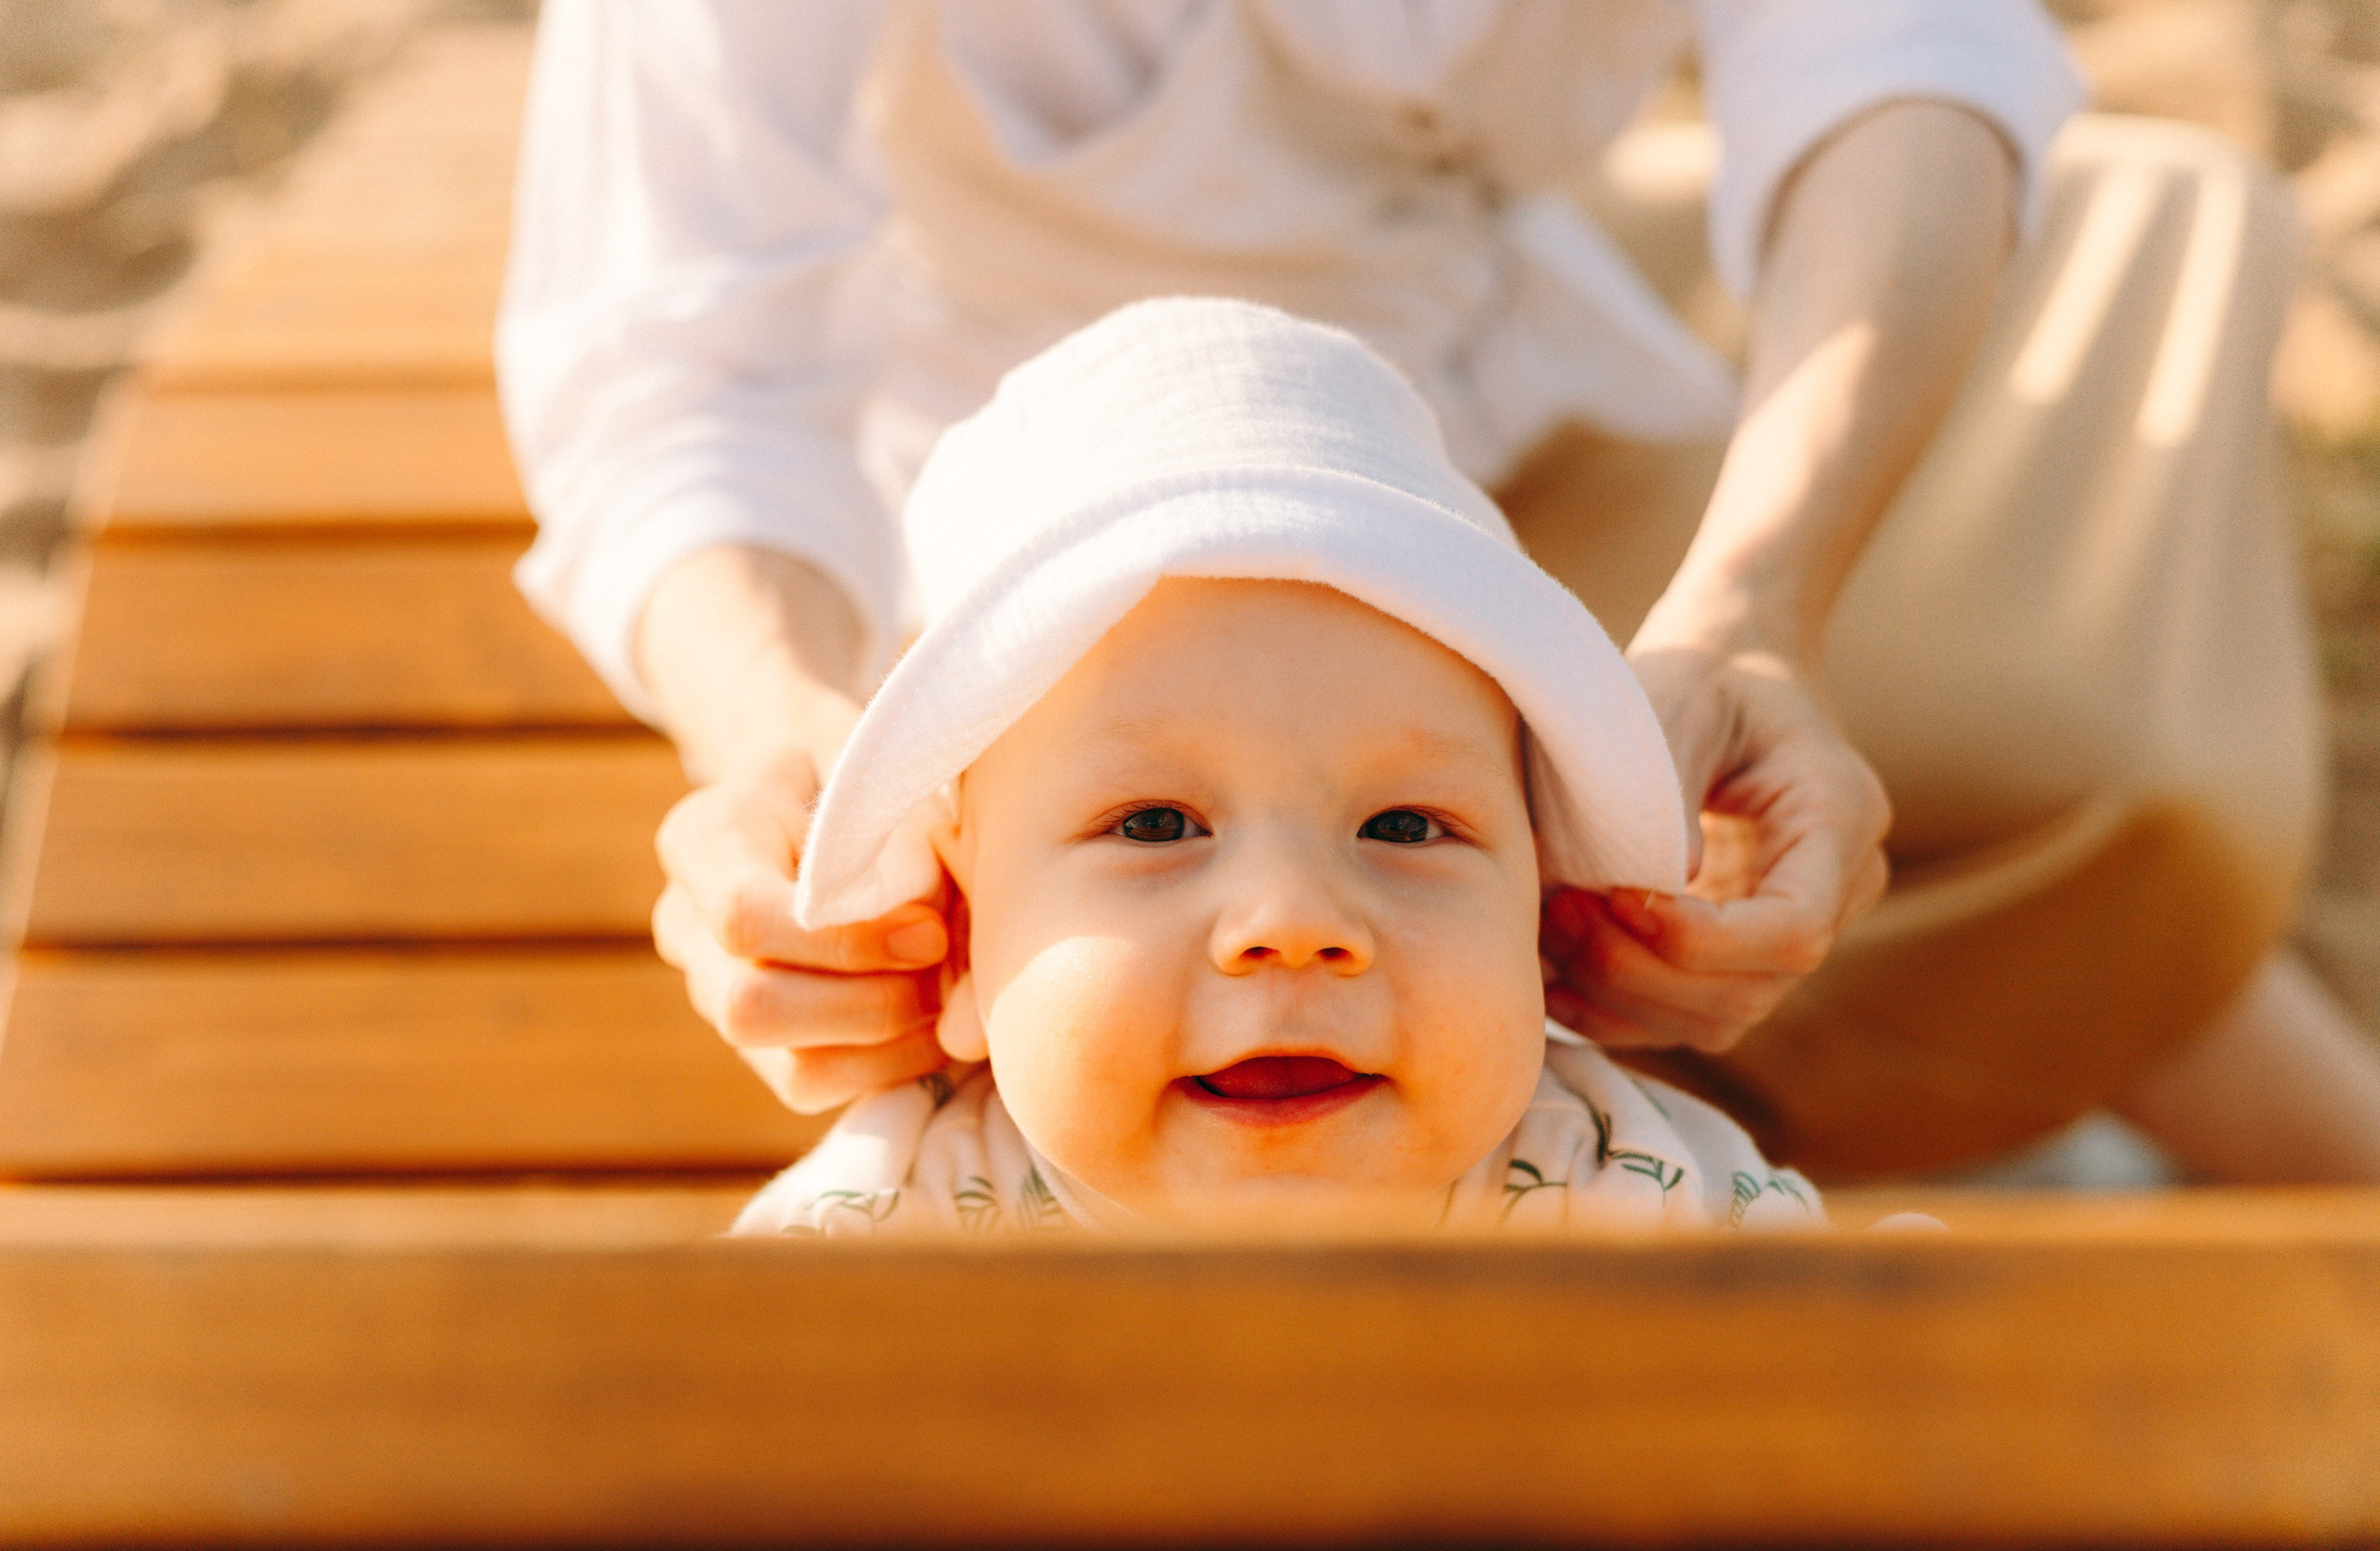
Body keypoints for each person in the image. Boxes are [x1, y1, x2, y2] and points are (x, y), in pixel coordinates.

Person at [498, 2, 2380, 1181]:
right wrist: (782, 744)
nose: (1287, 930)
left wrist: (1753, 606)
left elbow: (1901, 52)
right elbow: (668, 367)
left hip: (1515, 383)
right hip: (1029, 541)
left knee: (2155, 269)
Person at [733, 298, 1823, 1236]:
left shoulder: (1635, 1196)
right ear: (961, 939)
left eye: (1404, 826)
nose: (1294, 921)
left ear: (1537, 925)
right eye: (1155, 825)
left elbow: (1913, 1382)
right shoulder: (885, 1233)